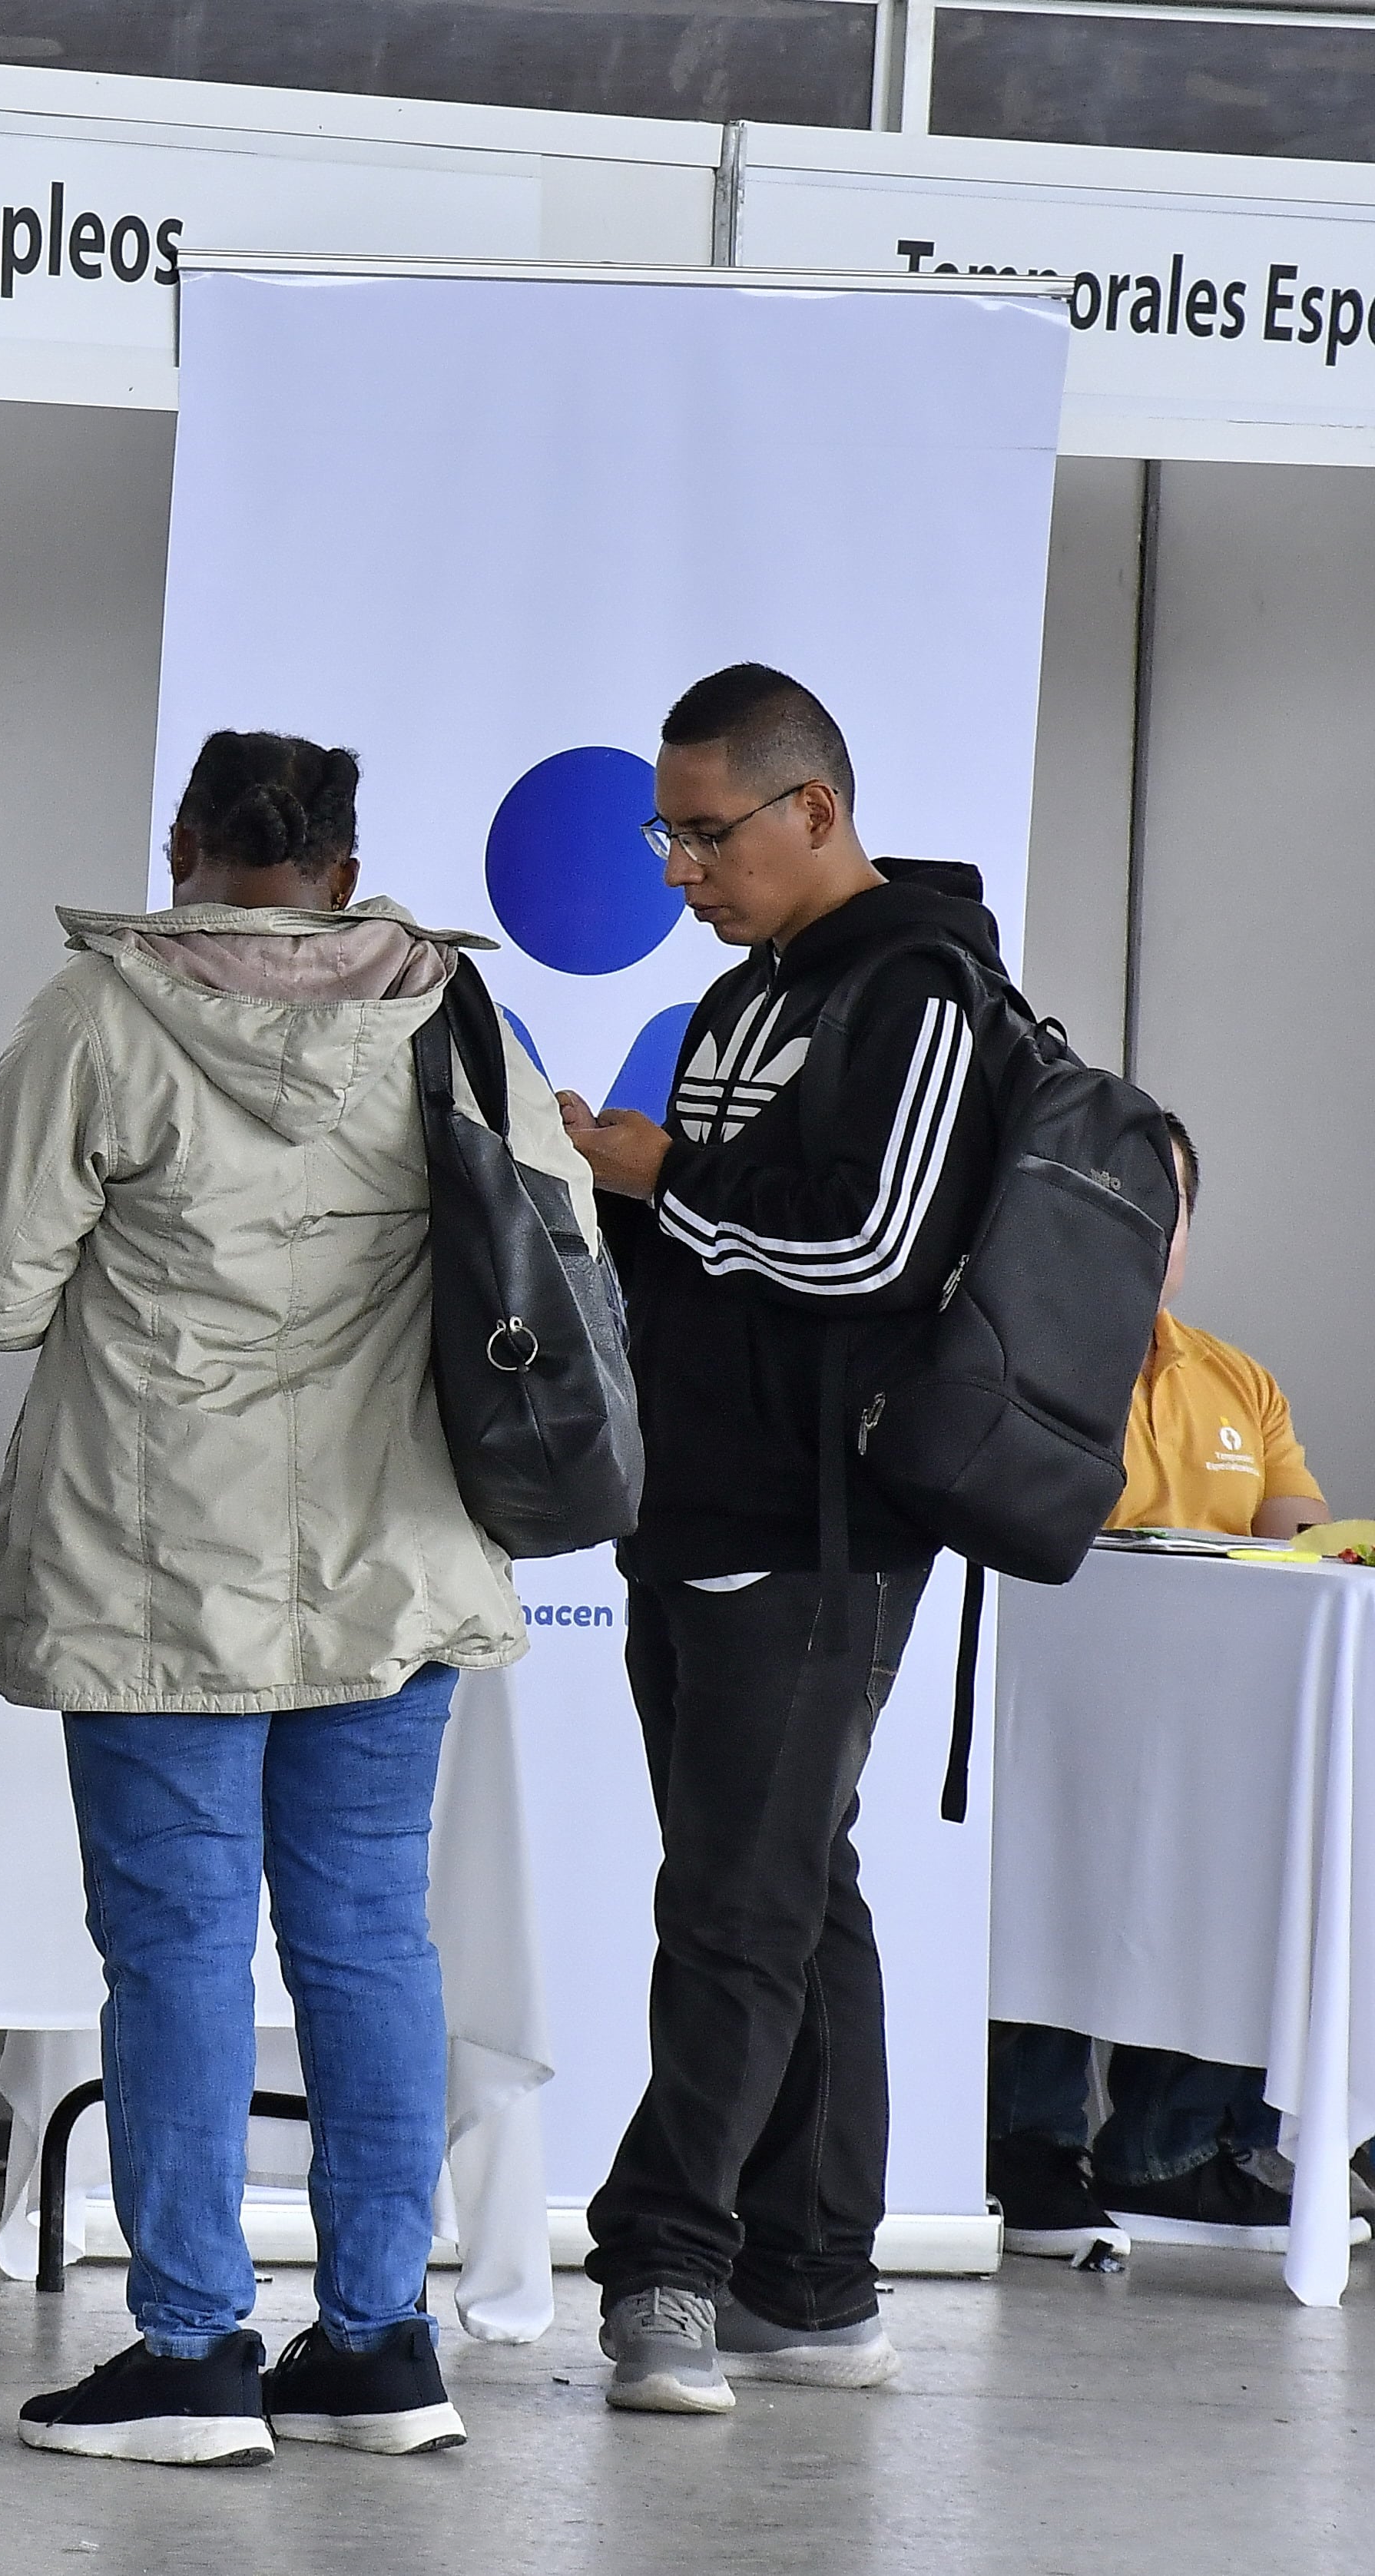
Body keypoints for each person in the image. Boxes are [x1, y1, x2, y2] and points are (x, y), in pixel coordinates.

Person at [0, 731, 570, 2467]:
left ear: (183, 844)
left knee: (180, 1949)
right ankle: (377, 2342)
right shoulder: (456, 1018)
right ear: (349, 871)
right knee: (369, 1939)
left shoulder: (107, 1015)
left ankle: (196, 2346)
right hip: (399, 1552)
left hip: (157, 1568)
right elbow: (553, 1244)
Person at [555, 664, 1004, 2415]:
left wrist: (667, 1180)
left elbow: (875, 1252)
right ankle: (814, 2279)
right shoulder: (746, 1002)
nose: (678, 865)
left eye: (703, 830)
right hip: (695, 1501)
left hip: (824, 1528)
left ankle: (668, 2264)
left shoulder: (927, 990)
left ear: (813, 811)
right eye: (666, 832)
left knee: (739, 1902)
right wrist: (609, 1183)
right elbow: (726, 1257)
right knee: (794, 1888)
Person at [989, 1112, 1342, 2259]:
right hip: (1049, 1713)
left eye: (1170, 1207)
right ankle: (1020, 2148)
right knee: (1041, 1869)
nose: (1150, 1230)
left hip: (1217, 1729)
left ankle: (1177, 2150)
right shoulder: (1009, 1351)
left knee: (1257, 1861)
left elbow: (1296, 1533)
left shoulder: (1237, 1379)